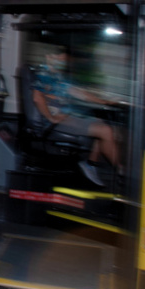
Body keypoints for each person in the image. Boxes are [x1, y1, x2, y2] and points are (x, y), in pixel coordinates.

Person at [32, 44, 121, 186]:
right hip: (56, 122)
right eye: (58, 60)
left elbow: (79, 93)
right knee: (106, 131)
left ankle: (91, 163)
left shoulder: (58, 75)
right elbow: (37, 98)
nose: (61, 63)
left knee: (103, 124)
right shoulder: (44, 74)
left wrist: (104, 101)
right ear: (48, 57)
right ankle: (122, 173)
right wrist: (51, 118)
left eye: (63, 61)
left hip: (67, 116)